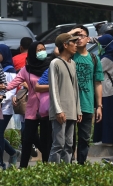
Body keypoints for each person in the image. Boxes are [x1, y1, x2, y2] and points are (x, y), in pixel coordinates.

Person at [5, 41, 52, 167]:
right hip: (31, 108)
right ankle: (23, 167)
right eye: (38, 50)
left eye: (43, 49)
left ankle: (47, 166)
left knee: (46, 139)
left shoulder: (50, 66)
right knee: (27, 140)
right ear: (32, 52)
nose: (42, 52)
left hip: (47, 108)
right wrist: (4, 88)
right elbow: (13, 84)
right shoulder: (26, 70)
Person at [66, 25, 103, 164]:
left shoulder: (94, 59)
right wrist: (71, 33)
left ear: (88, 39)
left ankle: (81, 167)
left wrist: (99, 106)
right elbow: (58, 48)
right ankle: (68, 166)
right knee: (68, 139)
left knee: (84, 139)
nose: (79, 38)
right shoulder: (68, 55)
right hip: (70, 104)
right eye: (76, 36)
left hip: (87, 104)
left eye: (81, 35)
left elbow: (98, 83)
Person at [48, 34, 82, 164]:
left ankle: (66, 172)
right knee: (58, 144)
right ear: (65, 45)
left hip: (71, 110)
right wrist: (58, 110)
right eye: (73, 42)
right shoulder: (55, 63)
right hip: (60, 111)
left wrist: (78, 109)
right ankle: (52, 173)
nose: (76, 44)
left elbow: (75, 88)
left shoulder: (72, 63)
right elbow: (53, 89)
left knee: (69, 144)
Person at [95, 34, 113, 146]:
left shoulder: (107, 58)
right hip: (109, 89)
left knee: (107, 116)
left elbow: (96, 69)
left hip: (106, 90)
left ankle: (107, 139)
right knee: (109, 115)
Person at [0, 46, 21, 170]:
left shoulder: (10, 70)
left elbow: (11, 91)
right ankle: (13, 152)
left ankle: (1, 163)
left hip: (6, 108)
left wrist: (2, 97)